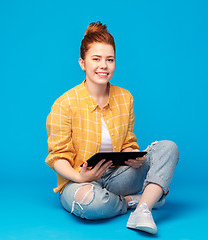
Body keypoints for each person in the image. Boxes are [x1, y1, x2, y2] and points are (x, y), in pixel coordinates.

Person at [45, 21, 180, 235]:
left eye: (110, 59)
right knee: (89, 203)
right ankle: (131, 202)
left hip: (117, 176)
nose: (104, 66)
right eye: (96, 59)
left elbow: (128, 143)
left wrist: (134, 156)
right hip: (78, 182)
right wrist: (81, 177)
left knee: (168, 147)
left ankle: (143, 209)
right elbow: (57, 157)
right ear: (82, 63)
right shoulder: (64, 104)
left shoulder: (125, 98)